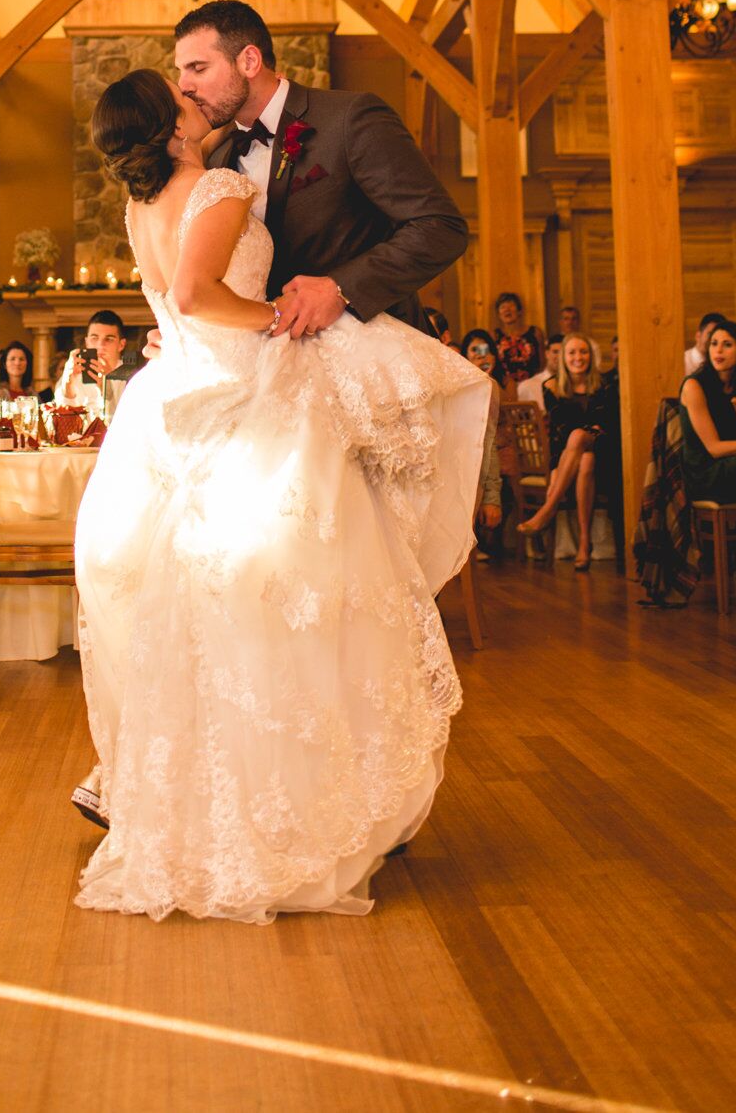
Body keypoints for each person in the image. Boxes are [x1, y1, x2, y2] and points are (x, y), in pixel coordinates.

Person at [73, 65, 489, 922]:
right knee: (300, 596)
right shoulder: (219, 182)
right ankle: (293, 810)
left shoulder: (138, 204)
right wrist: (269, 322)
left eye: (198, 69)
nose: (195, 91)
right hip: (245, 386)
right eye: (181, 85)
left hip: (177, 393)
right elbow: (194, 294)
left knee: (210, 612)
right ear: (171, 120)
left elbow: (174, 297)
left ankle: (205, 809)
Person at [181, 0, 468, 335]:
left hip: (373, 349)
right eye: (181, 70)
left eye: (197, 68)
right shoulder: (219, 159)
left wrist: (341, 289)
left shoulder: (350, 118)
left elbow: (440, 227)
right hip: (277, 365)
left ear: (249, 60)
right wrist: (188, 334)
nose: (185, 84)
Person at [518, 333, 618, 570]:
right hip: (573, 456)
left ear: (590, 356)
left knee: (579, 438)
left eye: (583, 352)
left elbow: (603, 424)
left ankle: (548, 509)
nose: (578, 357)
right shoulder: (551, 387)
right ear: (563, 357)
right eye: (572, 352)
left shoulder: (604, 384)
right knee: (585, 460)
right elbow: (558, 435)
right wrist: (555, 466)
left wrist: (585, 432)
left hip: (604, 448)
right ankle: (584, 544)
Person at [678, 316, 736, 506]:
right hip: (705, 472)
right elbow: (713, 448)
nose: (718, 350)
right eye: (714, 344)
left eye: (727, 344)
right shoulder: (694, 385)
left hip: (735, 460)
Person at [459, 330, 503, 558]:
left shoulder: (494, 385)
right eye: (474, 351)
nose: (480, 356)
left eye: (485, 351)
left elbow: (490, 440)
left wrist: (492, 496)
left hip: (492, 456)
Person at [55, 310, 136, 425]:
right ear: (87, 342)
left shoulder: (133, 376)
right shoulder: (74, 372)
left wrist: (106, 387)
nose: (100, 345)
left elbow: (130, 420)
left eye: (109, 339)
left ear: (121, 344)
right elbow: (61, 421)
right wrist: (67, 384)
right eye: (94, 338)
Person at [494, 292, 544, 386]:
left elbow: (542, 363)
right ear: (498, 314)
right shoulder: (493, 335)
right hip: (504, 387)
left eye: (511, 306)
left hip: (532, 384)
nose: (507, 310)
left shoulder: (535, 332)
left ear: (519, 311)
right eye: (503, 307)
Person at [0, 338, 51, 404]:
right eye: (12, 359)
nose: (17, 363)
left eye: (21, 359)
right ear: (4, 364)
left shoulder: (32, 393)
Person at [517, 335, 561, 408]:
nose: (560, 357)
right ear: (547, 354)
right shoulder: (527, 386)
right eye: (555, 352)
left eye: (563, 353)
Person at [684, 313, 722, 377]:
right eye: (710, 334)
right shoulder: (683, 362)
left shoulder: (721, 363)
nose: (713, 340)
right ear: (698, 336)